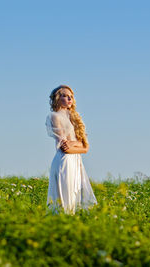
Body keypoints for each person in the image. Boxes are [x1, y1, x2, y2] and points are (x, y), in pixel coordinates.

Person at [45, 85, 97, 215]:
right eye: (64, 95)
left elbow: (86, 148)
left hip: (76, 162)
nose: (69, 98)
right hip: (65, 161)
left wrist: (73, 143)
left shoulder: (74, 118)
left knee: (73, 200)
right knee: (64, 200)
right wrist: (78, 145)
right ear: (57, 98)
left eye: (71, 96)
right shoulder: (55, 116)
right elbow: (64, 147)